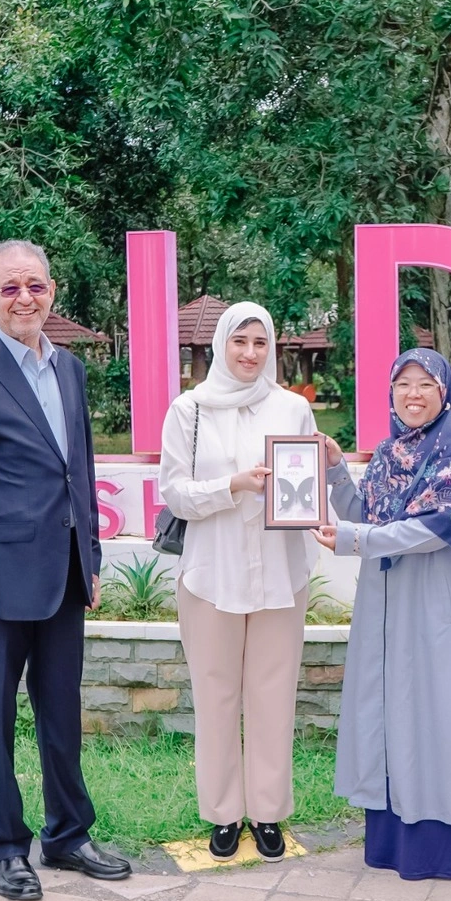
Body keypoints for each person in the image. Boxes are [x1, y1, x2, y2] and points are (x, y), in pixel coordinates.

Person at [0, 239, 131, 901]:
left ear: (52, 292)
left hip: (64, 579)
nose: (24, 298)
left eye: (35, 286)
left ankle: (68, 834)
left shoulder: (69, 370)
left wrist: (90, 557)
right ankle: (6, 848)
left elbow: (81, 471)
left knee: (62, 716)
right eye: (11, 287)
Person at [314, 348, 451, 880]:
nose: (413, 394)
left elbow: (433, 530)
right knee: (392, 710)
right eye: (403, 383)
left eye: (425, 384)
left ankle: (440, 848)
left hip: (440, 603)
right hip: (388, 604)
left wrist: (354, 540)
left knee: (439, 711)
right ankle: (391, 840)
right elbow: (366, 516)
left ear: (446, 393)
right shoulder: (387, 453)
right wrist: (336, 471)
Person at [158, 302, 326, 862]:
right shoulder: (190, 409)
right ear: (221, 345)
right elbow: (174, 493)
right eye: (240, 341)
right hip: (212, 573)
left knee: (273, 696)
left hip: (280, 572)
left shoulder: (292, 409)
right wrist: (233, 485)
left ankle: (268, 812)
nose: (250, 353)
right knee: (216, 696)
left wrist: (314, 479)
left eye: (260, 342)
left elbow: (304, 486)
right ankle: (224, 814)